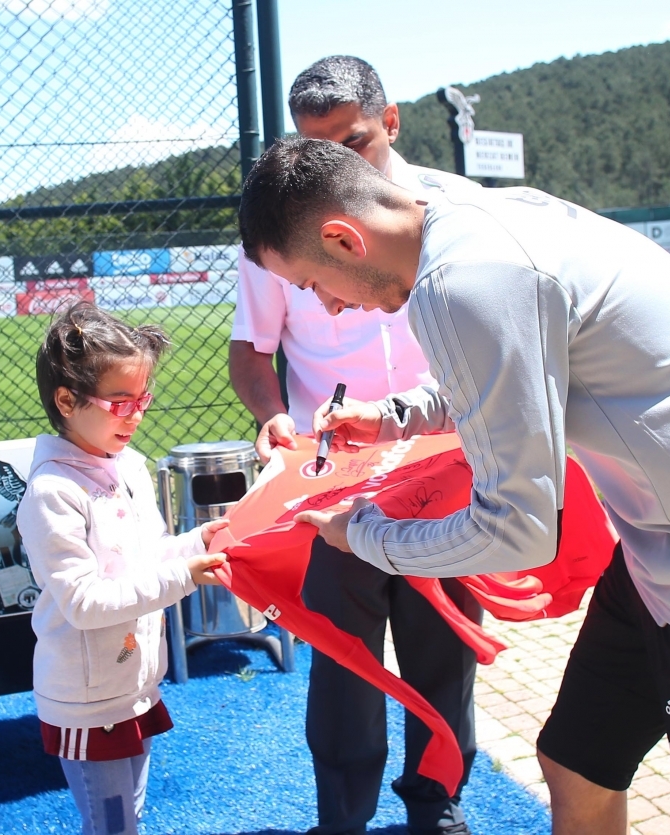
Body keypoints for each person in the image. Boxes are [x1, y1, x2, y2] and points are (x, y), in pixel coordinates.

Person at [236, 137, 670, 835]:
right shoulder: (466, 217)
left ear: (343, 238)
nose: (325, 308)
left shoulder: (460, 284)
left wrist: (361, 534)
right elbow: (522, 367)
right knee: (576, 759)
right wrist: (395, 414)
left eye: (309, 284)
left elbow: (518, 527)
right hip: (664, 551)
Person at [229, 56, 482, 835]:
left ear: (393, 122)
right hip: (333, 476)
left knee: (445, 646)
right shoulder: (284, 226)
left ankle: (436, 804)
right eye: (318, 146)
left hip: (443, 460)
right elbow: (250, 353)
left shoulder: (456, 211)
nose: (336, 162)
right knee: (343, 661)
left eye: (354, 141)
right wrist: (274, 416)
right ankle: (342, 818)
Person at [16, 301, 228, 835]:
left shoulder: (129, 466)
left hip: (134, 682)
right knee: (113, 826)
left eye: (143, 400)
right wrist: (185, 575)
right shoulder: (52, 493)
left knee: (128, 818)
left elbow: (149, 555)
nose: (136, 416)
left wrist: (201, 540)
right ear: (66, 400)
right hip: (87, 698)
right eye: (120, 403)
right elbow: (85, 603)